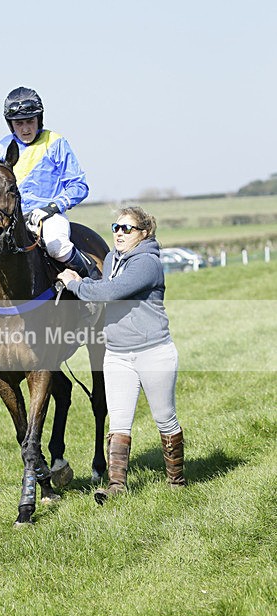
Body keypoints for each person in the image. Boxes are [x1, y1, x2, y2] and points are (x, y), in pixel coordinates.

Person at [57, 205, 185, 502]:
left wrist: (75, 283)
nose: (119, 234)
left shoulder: (148, 263)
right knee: (118, 422)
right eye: (116, 227)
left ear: (144, 233)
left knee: (165, 419)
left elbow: (110, 292)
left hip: (153, 352)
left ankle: (176, 482)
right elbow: (104, 287)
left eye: (126, 229)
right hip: (116, 353)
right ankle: (116, 486)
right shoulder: (113, 258)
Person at [0, 86, 99, 301]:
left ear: (39, 119)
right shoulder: (2, 148)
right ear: (11, 124)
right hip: (12, 219)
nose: (26, 128)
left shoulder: (55, 142)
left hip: (48, 216)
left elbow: (79, 185)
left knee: (58, 246)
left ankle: (93, 286)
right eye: (19, 123)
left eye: (30, 121)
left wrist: (51, 208)